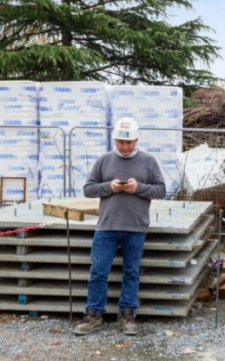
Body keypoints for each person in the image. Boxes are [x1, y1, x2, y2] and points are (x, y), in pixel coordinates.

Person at [73, 117, 166, 336]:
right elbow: (88, 189)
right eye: (121, 142)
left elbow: (161, 190)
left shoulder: (149, 161)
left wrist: (140, 188)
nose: (125, 147)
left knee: (131, 272)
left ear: (137, 140)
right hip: (107, 226)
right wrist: (109, 187)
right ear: (114, 140)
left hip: (136, 226)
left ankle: (127, 314)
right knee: (98, 271)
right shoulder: (104, 160)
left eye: (129, 142)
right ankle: (94, 314)